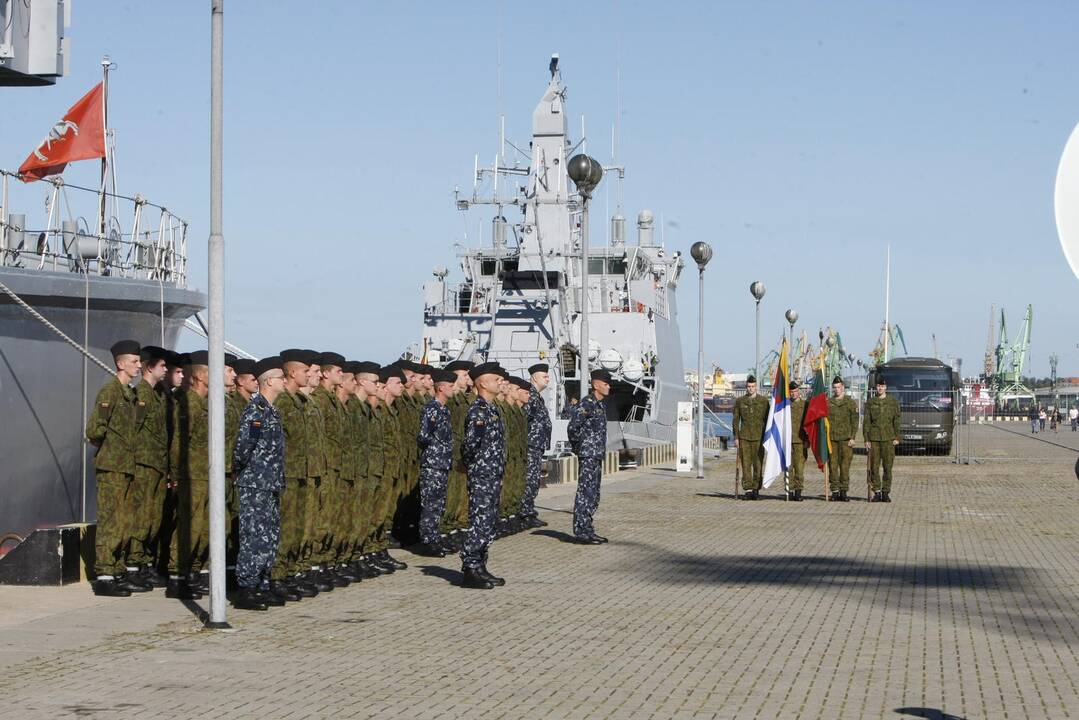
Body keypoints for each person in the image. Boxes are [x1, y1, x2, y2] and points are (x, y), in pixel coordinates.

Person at [86, 340, 151, 597]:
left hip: (127, 467)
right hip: (112, 466)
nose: (138, 366)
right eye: (134, 362)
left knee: (126, 522)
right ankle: (104, 575)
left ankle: (117, 569)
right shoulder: (110, 392)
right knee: (112, 521)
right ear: (120, 364)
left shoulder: (130, 394)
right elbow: (94, 430)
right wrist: (111, 449)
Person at [231, 357, 287, 611]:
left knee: (269, 536)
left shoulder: (271, 410)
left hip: (270, 483)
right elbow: (243, 448)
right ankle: (247, 587)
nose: (285, 381)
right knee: (254, 535)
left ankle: (262, 582)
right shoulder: (256, 410)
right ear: (270, 381)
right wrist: (246, 473)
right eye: (281, 377)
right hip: (255, 483)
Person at [168, 350, 212, 598]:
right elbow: (179, 444)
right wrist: (176, 474)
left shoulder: (204, 405)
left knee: (203, 528)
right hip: (191, 476)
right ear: (200, 376)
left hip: (204, 475)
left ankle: (192, 571)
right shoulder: (189, 404)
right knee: (188, 526)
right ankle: (177, 576)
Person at [460, 362, 508, 589]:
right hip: (482, 475)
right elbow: (469, 446)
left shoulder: (491, 409)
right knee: (479, 521)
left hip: (492, 474)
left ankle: (480, 565)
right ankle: (470, 568)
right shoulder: (478, 410)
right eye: (496, 379)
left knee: (488, 522)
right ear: (482, 383)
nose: (501, 382)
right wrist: (477, 469)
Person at [129, 345, 170, 588]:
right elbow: (133, 429)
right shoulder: (141, 395)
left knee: (153, 517)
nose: (165, 370)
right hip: (143, 464)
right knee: (141, 516)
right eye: (162, 366)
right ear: (149, 367)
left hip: (156, 464)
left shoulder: (157, 395)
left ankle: (145, 563)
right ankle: (134, 564)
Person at [416, 369, 457, 556]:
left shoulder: (444, 409)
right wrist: (435, 452)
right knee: (430, 503)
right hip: (433, 464)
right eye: (450, 386)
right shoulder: (432, 409)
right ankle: (427, 541)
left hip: (442, 463)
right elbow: (424, 436)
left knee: (439, 503)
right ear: (441, 388)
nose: (453, 389)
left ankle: (435, 537)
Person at [567, 369, 611, 543]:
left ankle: (588, 528)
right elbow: (573, 427)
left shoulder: (599, 405)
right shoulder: (588, 404)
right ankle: (581, 531)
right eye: (606, 384)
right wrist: (580, 448)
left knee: (593, 493)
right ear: (596, 385)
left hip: (596, 455)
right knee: (586, 492)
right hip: (588, 455)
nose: (609, 387)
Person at [521, 363, 552, 527]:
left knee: (533, 480)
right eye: (544, 376)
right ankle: (525, 514)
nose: (548, 378)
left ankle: (528, 511)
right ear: (534, 378)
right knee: (530, 480)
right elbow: (523, 421)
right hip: (530, 446)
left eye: (547, 375)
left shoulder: (536, 397)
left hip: (536, 445)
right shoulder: (531, 397)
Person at [863, 377, 900, 502]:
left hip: (889, 439)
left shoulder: (893, 402)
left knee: (888, 467)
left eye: (882, 386)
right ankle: (877, 492)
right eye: (878, 386)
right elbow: (866, 422)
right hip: (874, 438)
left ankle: (885, 492)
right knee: (874, 467)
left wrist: (897, 437)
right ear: (876, 387)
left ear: (886, 388)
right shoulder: (871, 402)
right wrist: (866, 439)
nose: (880, 388)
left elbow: (897, 420)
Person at [732, 375, 769, 499]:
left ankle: (756, 489)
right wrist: (736, 437)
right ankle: (748, 490)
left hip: (759, 438)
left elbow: (768, 420)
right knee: (746, 464)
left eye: (752, 386)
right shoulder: (740, 401)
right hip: (745, 438)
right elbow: (736, 420)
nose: (750, 389)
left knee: (758, 465)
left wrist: (768, 437)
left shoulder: (764, 401)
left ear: (756, 387)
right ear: (746, 387)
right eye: (748, 386)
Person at [826, 377, 859, 502]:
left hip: (846, 439)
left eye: (839, 387)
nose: (837, 389)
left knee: (845, 466)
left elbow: (855, 420)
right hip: (832, 439)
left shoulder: (850, 402)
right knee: (833, 466)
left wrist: (853, 437)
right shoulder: (829, 402)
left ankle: (844, 491)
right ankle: (834, 491)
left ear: (843, 387)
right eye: (835, 387)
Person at [787, 381, 808, 501]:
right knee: (788, 467)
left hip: (800, 441)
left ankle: (798, 491)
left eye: (795, 391)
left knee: (799, 468)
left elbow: (810, 424)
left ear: (798, 391)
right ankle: (789, 490)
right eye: (791, 392)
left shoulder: (805, 405)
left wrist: (807, 440)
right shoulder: (785, 406)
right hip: (788, 441)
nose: (793, 394)